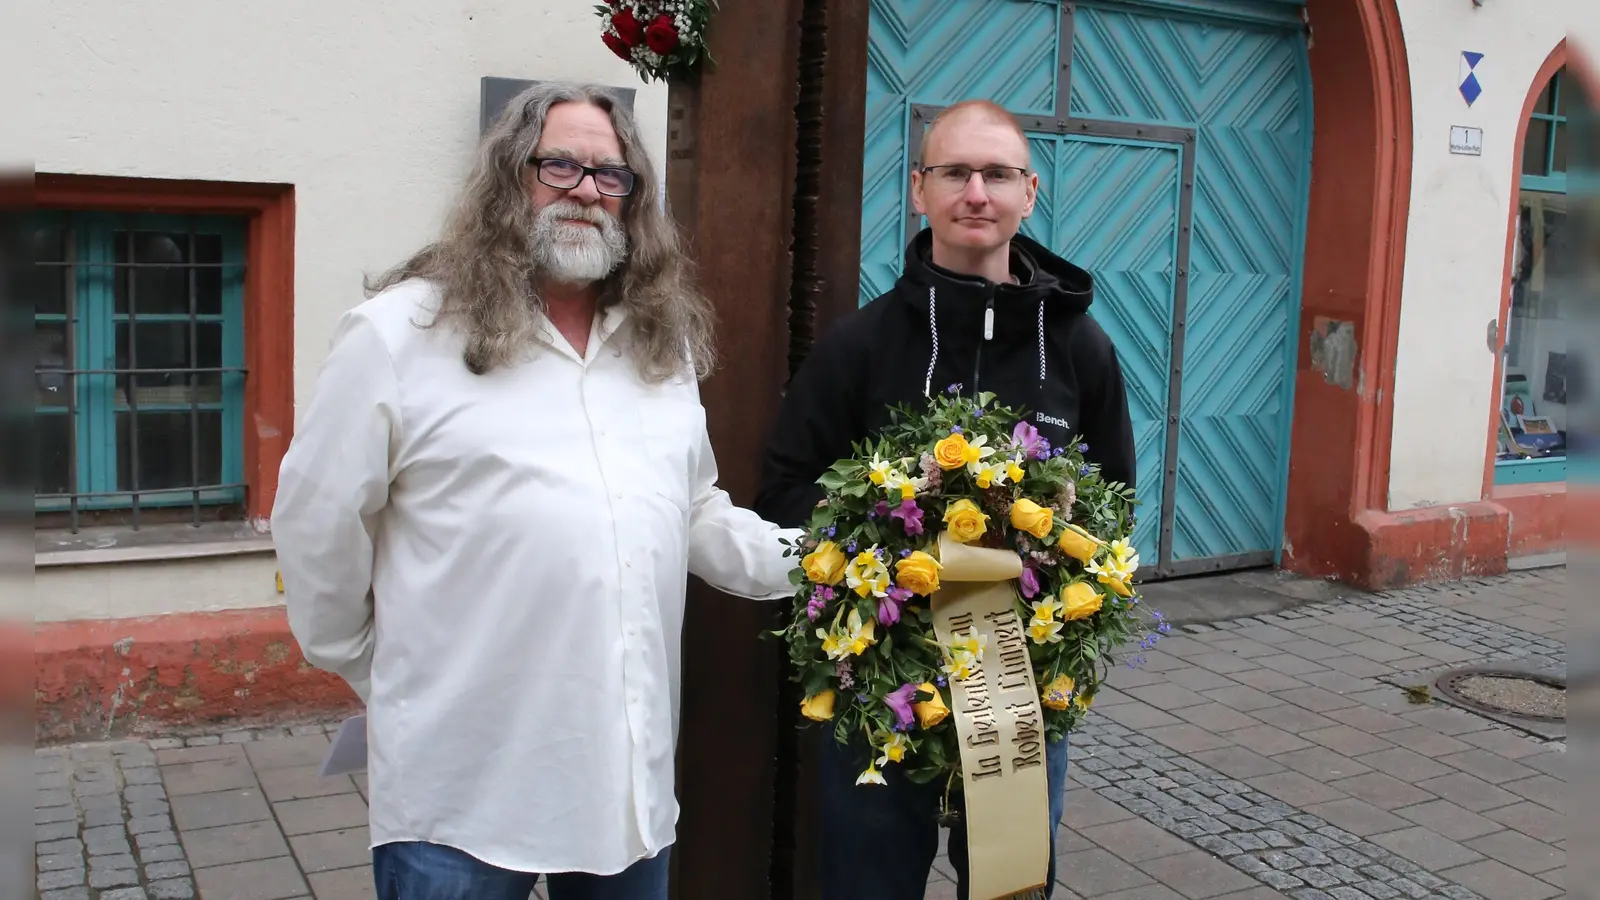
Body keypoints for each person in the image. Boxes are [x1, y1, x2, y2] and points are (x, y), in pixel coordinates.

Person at [272, 81, 801, 900]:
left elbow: (696, 510)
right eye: (559, 165)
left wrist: (844, 559)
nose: (586, 190)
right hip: (462, 787)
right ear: (509, 177)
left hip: (623, 789)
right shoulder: (401, 334)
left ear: (634, 201)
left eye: (610, 175)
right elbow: (316, 522)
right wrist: (383, 670)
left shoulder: (659, 349)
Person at [754, 99, 1137, 900]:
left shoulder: (1079, 348)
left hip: (1017, 691)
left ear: (1029, 193)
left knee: (1006, 889)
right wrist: (872, 557)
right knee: (866, 887)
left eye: (997, 174)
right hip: (880, 687)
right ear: (920, 190)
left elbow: (1116, 505)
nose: (977, 192)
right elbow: (784, 487)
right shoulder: (860, 346)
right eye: (956, 172)